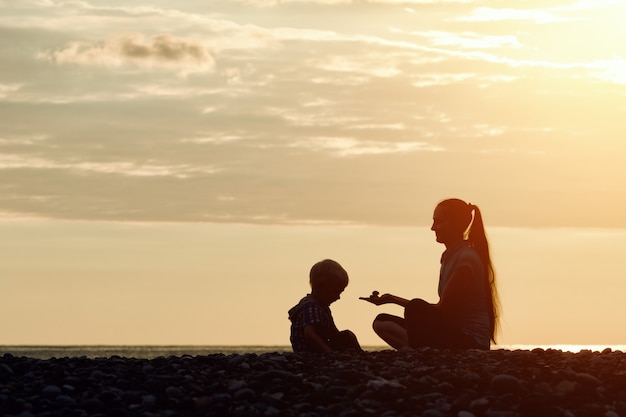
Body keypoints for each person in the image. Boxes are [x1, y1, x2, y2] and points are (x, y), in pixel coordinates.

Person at [360, 198, 500, 350]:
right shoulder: (450, 257)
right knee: (382, 322)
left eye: (438, 222)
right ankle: (419, 349)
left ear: (456, 224)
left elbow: (442, 310)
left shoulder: (466, 258)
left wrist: (393, 299)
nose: (432, 228)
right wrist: (391, 299)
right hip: (450, 334)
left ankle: (419, 351)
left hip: (470, 342)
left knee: (416, 307)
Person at [288, 259, 362, 353]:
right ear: (320, 287)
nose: (338, 297)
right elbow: (310, 334)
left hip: (320, 347)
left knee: (347, 335)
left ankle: (359, 355)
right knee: (348, 336)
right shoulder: (311, 306)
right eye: (335, 292)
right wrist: (329, 352)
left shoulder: (322, 307)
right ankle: (361, 355)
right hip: (310, 352)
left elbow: (334, 332)